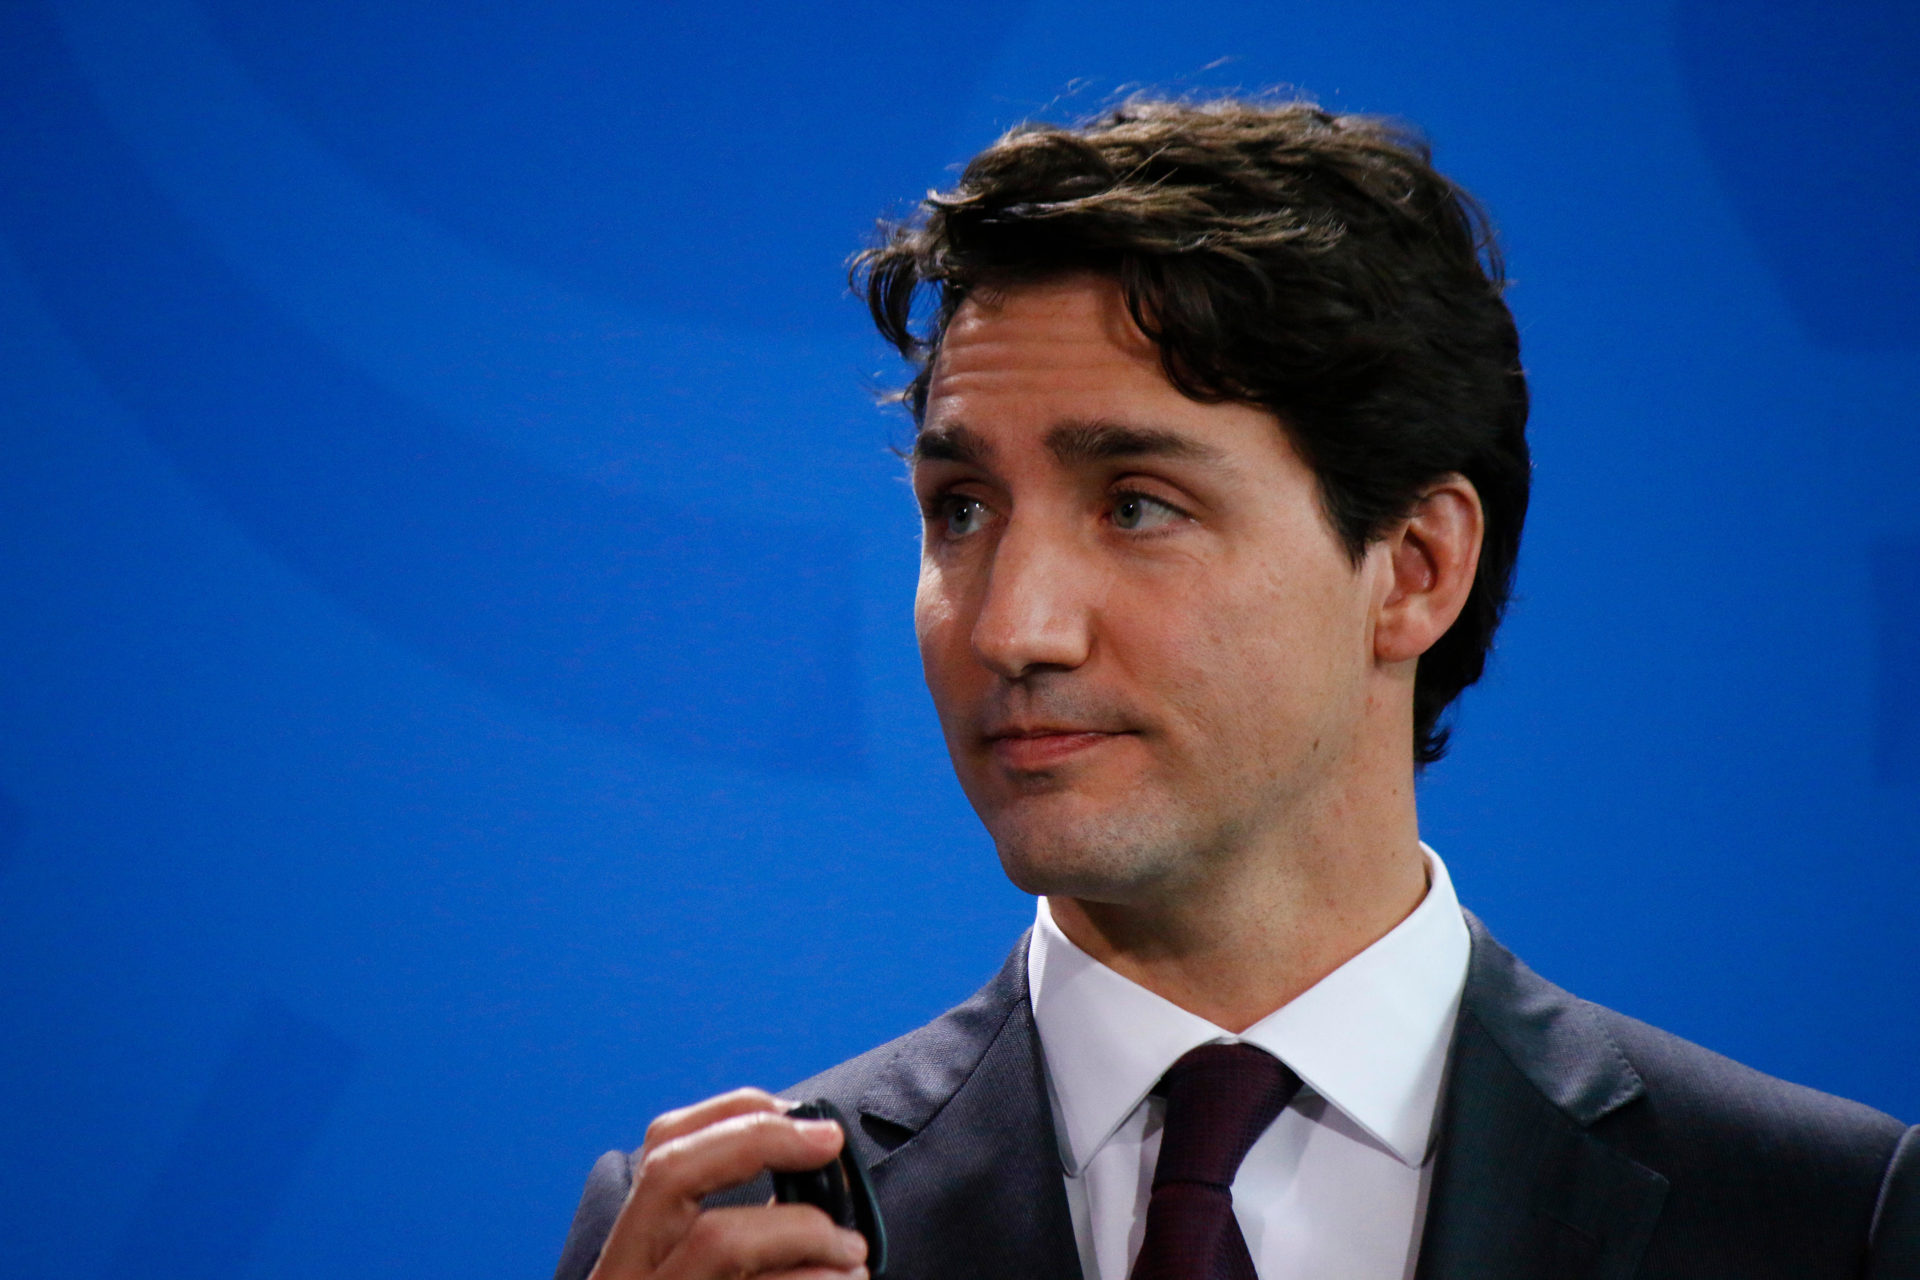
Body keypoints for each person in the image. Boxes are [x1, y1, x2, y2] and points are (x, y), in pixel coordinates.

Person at [552, 98, 1918, 1280]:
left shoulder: (1823, 1221)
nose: (1014, 626)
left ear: (1415, 570)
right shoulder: (722, 1233)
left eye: (1137, 506)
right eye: (961, 510)